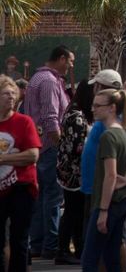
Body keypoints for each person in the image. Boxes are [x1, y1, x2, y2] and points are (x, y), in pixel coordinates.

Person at [24, 45, 74, 259]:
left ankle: (38, 244)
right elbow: (51, 118)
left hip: (40, 146)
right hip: (49, 147)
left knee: (41, 197)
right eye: (70, 61)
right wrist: (62, 145)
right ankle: (49, 245)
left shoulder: (40, 79)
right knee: (52, 198)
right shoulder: (49, 81)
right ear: (61, 59)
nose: (71, 65)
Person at [81, 88, 126, 271]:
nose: (93, 109)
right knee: (112, 257)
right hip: (122, 200)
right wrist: (124, 178)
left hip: (110, 203)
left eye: (97, 105)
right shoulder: (123, 131)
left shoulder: (109, 136)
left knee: (90, 258)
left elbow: (110, 174)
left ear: (112, 108)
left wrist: (103, 210)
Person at [0, 75, 42, 271]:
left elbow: (33, 155)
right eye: (5, 93)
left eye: (13, 93)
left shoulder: (24, 122)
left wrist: (3, 159)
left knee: (19, 240)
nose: (11, 97)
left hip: (21, 187)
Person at [55, 79, 93, 265]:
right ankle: (63, 250)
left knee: (76, 212)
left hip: (70, 170)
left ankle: (77, 248)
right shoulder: (77, 116)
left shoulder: (75, 113)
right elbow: (79, 146)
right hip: (73, 172)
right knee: (72, 212)